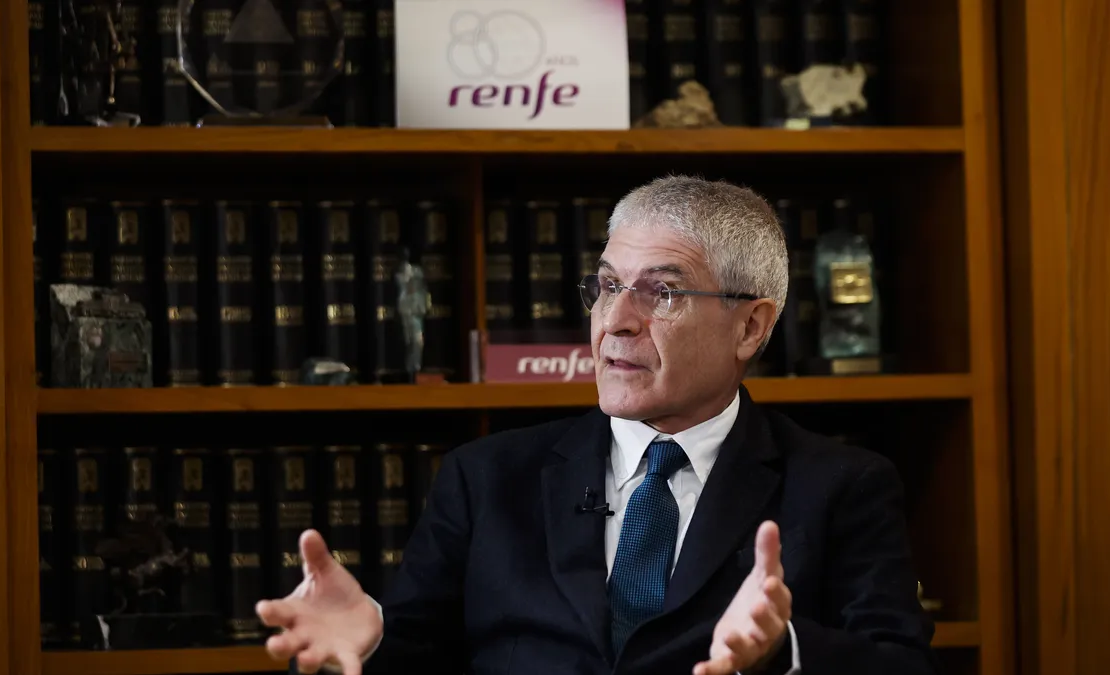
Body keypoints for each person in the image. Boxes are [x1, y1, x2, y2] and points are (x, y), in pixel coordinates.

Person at [256, 176, 938, 675]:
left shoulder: (842, 485)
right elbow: (418, 657)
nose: (616, 321)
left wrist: (782, 651)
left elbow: (902, 665)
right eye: (608, 285)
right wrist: (370, 641)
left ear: (750, 327)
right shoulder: (485, 478)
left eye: (662, 292)